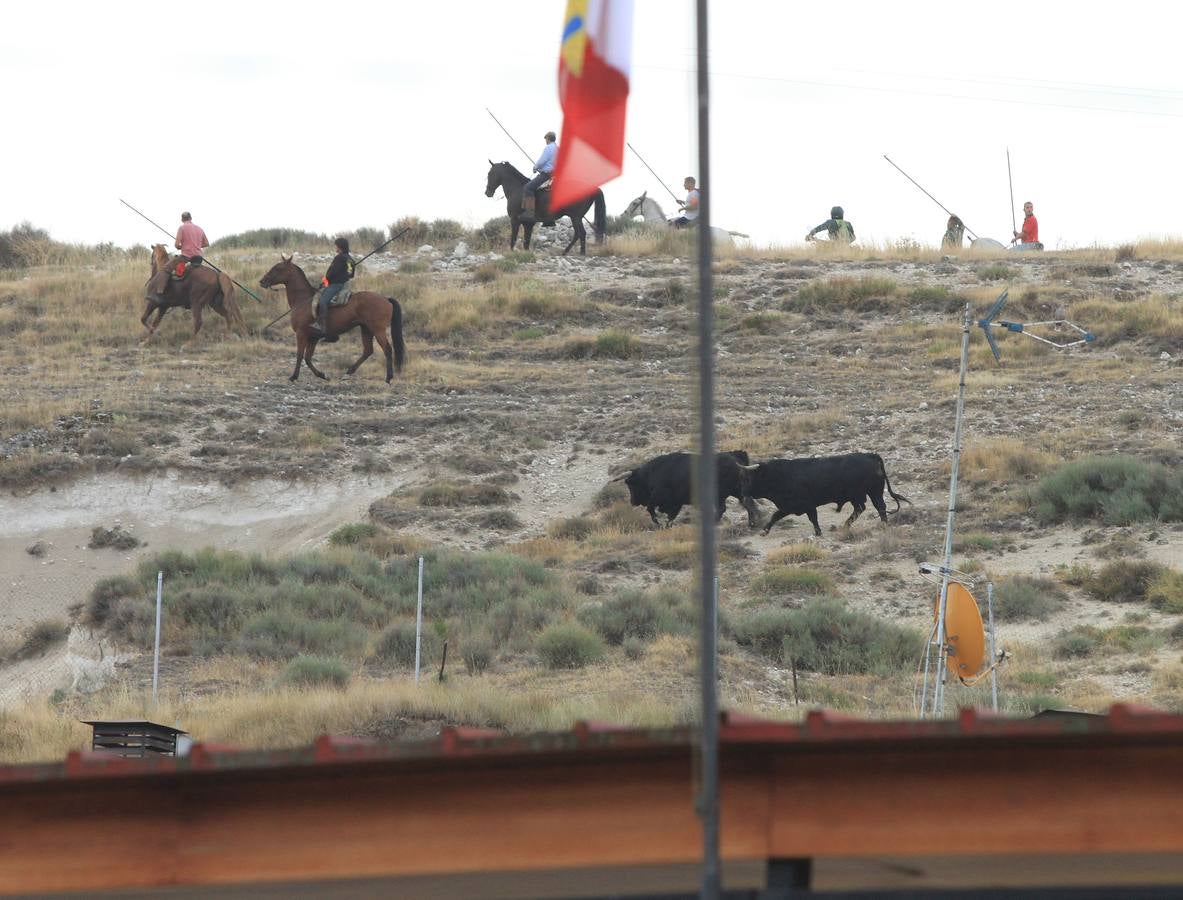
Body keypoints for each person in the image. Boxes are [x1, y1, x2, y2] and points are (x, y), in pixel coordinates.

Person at [310, 237, 355, 336]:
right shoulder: (350, 259)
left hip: (336, 285)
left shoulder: (339, 258)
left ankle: (321, 325)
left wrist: (326, 281)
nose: (336, 248)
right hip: (345, 285)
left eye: (337, 246)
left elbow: (332, 273)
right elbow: (351, 274)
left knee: (322, 301)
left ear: (340, 247)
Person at [519, 131, 557, 224]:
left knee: (528, 188)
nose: (546, 141)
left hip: (547, 174)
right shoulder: (558, 148)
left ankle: (529, 213)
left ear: (548, 139)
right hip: (557, 175)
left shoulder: (548, 148)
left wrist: (535, 167)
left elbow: (542, 161)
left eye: (546, 139)